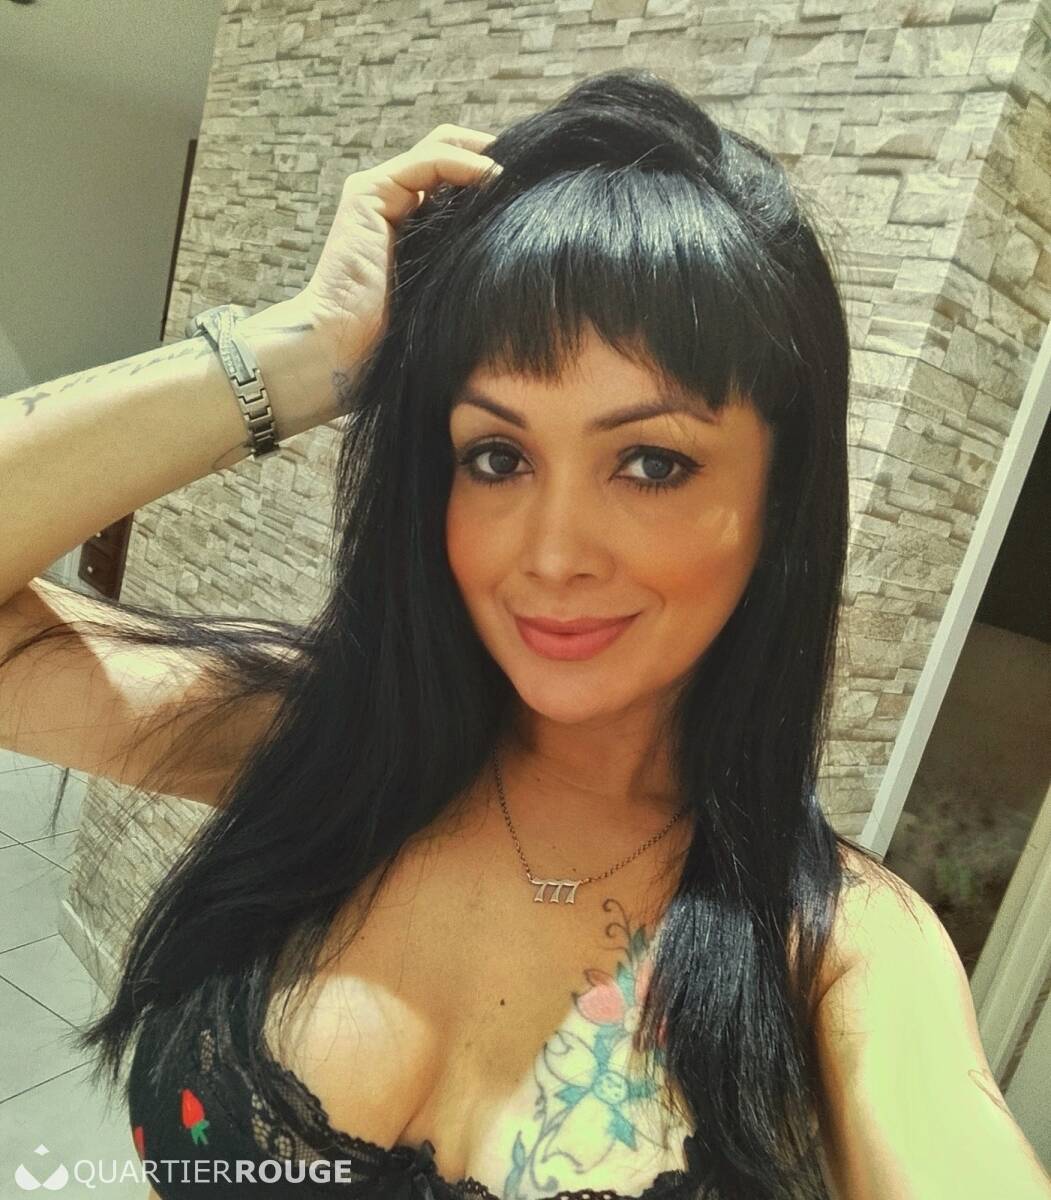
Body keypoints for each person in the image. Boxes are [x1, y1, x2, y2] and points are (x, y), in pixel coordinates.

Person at [1, 68, 1048, 1200]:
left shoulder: (841, 953)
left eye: (652, 463)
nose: (550, 556)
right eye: (496, 456)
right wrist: (303, 347)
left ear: (778, 507)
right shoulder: (323, 738)